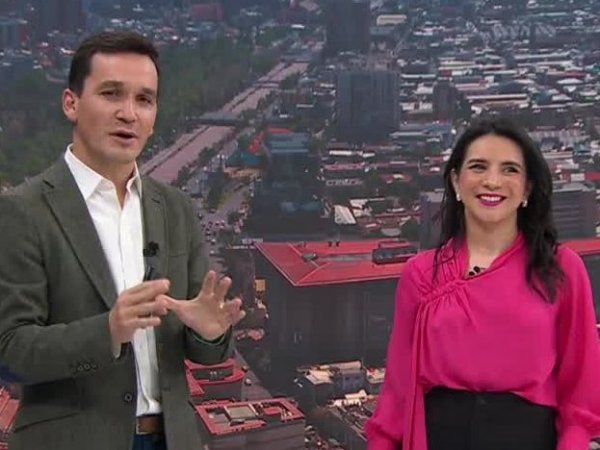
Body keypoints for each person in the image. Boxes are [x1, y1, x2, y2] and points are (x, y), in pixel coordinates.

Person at [0, 31, 245, 450]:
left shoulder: (176, 209)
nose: (128, 114)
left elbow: (205, 353)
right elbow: (10, 352)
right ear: (71, 104)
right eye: (111, 94)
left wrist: (208, 333)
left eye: (144, 99)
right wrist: (108, 331)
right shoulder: (23, 211)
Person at [366, 118, 600, 450]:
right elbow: (396, 396)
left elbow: (580, 394)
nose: (492, 181)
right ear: (456, 181)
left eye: (509, 170)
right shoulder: (421, 274)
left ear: (527, 189)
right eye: (478, 167)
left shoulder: (561, 269)